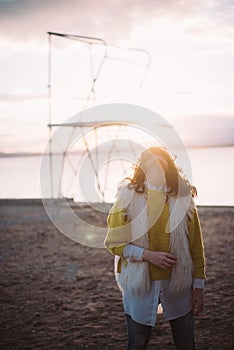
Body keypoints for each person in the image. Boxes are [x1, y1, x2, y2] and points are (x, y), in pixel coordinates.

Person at [104, 146, 206, 350]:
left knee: (186, 343)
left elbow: (196, 246)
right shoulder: (127, 198)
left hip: (178, 283)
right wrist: (147, 255)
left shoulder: (183, 199)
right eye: (151, 164)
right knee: (137, 344)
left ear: (169, 167)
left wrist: (199, 288)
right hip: (140, 284)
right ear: (142, 167)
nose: (156, 168)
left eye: (162, 163)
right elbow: (114, 244)